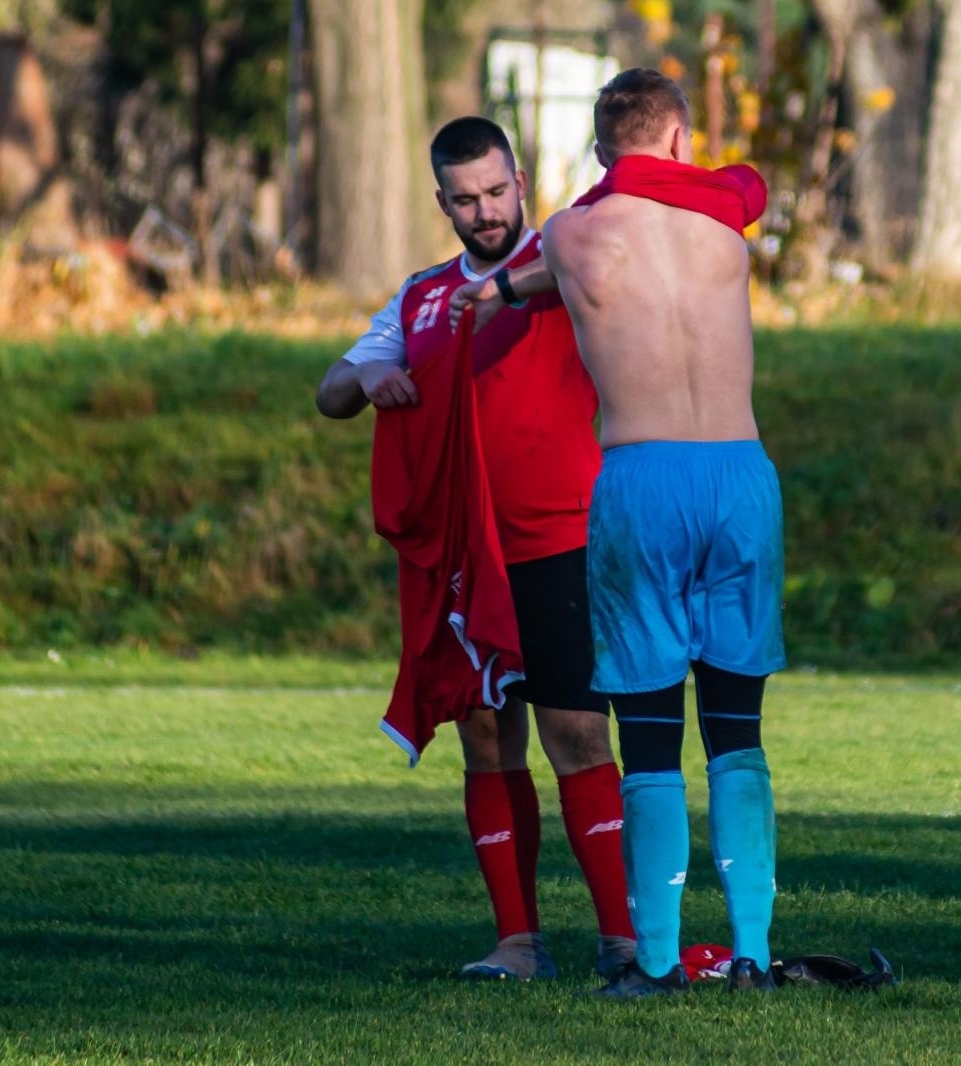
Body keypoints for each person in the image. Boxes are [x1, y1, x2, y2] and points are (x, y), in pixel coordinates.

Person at [450, 69, 785, 998]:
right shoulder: (727, 207)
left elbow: (544, 274)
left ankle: (657, 959)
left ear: (599, 155)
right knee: (736, 732)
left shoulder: (570, 233)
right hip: (738, 475)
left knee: (645, 733)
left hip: (638, 480)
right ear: (681, 139)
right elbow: (744, 180)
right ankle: (752, 951)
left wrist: (503, 293)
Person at [315, 116, 636, 982]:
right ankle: (518, 942)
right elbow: (330, 391)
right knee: (487, 736)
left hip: (559, 540)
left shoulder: (566, 264)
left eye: (497, 192)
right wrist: (369, 376)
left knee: (576, 731)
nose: (485, 210)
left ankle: (622, 941)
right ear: (442, 202)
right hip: (462, 557)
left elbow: (630, 273)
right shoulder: (421, 295)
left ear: (521, 180)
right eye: (466, 199)